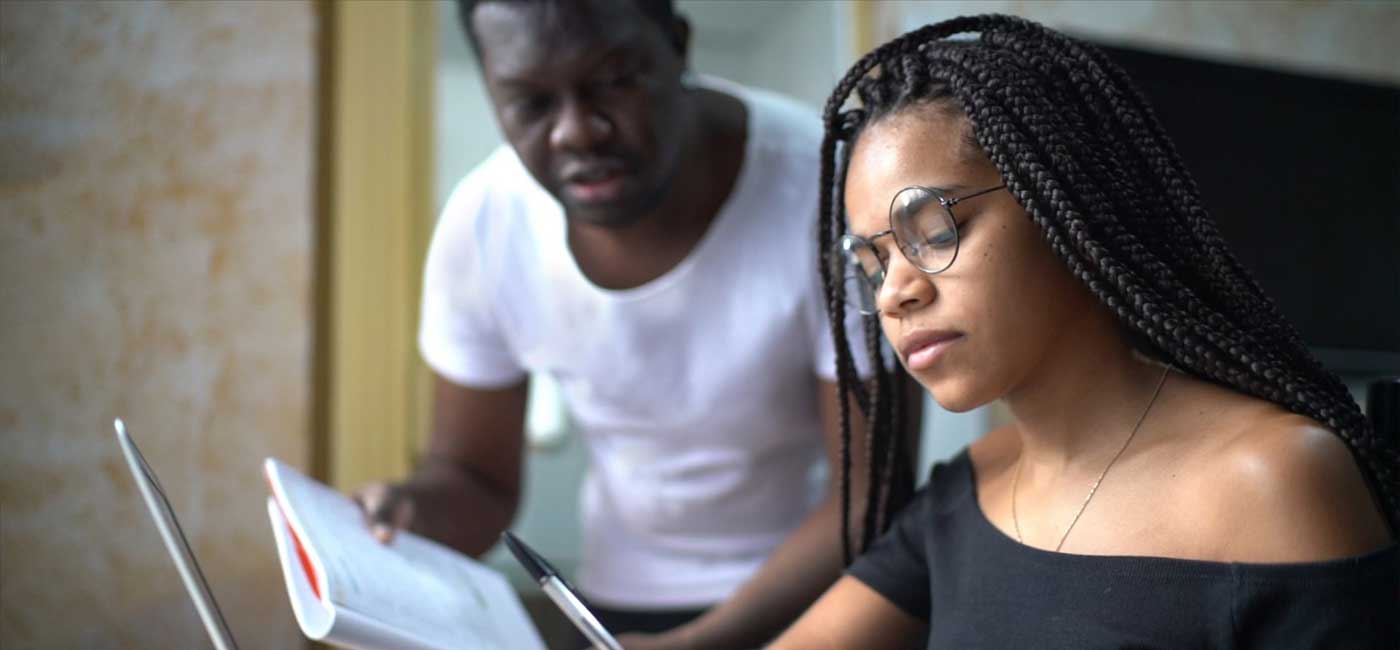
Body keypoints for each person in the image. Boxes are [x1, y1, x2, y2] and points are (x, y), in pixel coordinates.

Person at [770, 14, 1400, 648]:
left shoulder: (1276, 479)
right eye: (871, 265)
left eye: (935, 231)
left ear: (1063, 202)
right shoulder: (968, 488)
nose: (896, 293)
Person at [354, 1, 905, 648]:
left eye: (612, 81)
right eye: (531, 103)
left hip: (823, 599)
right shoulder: (484, 225)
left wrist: (703, 643)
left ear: (676, 45)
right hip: (615, 601)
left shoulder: (825, 191)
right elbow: (475, 479)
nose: (577, 133)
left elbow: (872, 496)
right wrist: (406, 521)